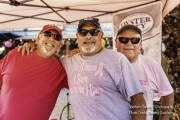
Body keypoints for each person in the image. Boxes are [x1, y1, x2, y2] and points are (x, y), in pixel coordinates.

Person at [17, 17, 146, 120]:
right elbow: (52, 56)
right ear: (77, 36)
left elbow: (138, 100)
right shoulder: (69, 60)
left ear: (101, 35)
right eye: (83, 32)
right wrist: (35, 46)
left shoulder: (117, 59)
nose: (88, 36)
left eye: (94, 32)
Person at [0, 24, 68, 120]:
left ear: (59, 45)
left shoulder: (62, 69)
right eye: (47, 34)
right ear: (38, 37)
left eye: (57, 37)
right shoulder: (16, 54)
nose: (52, 39)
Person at [115, 25, 174, 120]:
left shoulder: (151, 65)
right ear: (116, 42)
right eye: (123, 39)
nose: (129, 43)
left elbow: (167, 93)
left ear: (140, 43)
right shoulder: (106, 66)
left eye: (135, 40)